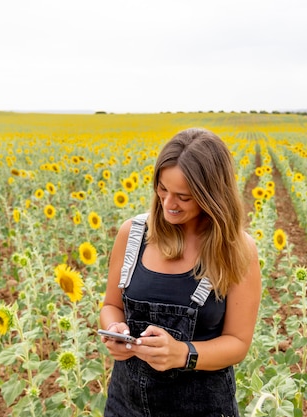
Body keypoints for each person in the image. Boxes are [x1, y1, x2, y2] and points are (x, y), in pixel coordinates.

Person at [99, 127, 262, 417]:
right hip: (126, 405)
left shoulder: (237, 249)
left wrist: (182, 354)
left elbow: (237, 343)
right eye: (162, 189)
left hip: (202, 408)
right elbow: (112, 306)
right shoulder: (132, 234)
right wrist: (115, 330)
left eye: (183, 197)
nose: (168, 204)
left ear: (212, 196)